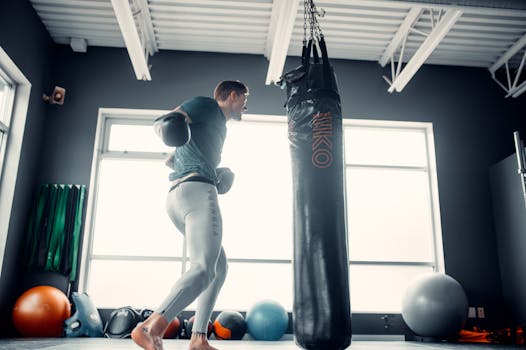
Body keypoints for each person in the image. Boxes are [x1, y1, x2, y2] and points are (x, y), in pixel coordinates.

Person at [132, 80, 249, 350]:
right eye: (244, 99)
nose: (246, 105)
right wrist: (206, 172)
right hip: (197, 193)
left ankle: (198, 339)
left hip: (179, 195)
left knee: (218, 268)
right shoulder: (208, 107)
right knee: (202, 269)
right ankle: (150, 327)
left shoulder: (214, 125)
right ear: (233, 95)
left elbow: (170, 160)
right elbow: (168, 120)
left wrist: (214, 171)